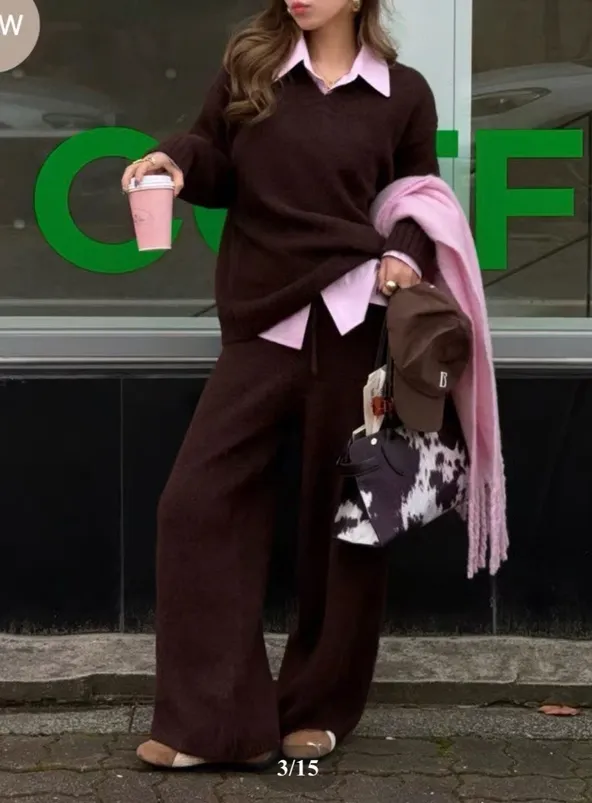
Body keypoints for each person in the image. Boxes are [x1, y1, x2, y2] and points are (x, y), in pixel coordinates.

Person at [121, 0, 441, 771]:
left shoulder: (402, 92)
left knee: (351, 519)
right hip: (263, 323)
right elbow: (213, 156)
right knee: (194, 504)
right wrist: (174, 161)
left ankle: (319, 707)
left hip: (354, 325)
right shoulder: (252, 66)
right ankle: (214, 722)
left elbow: (417, 194)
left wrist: (404, 254)